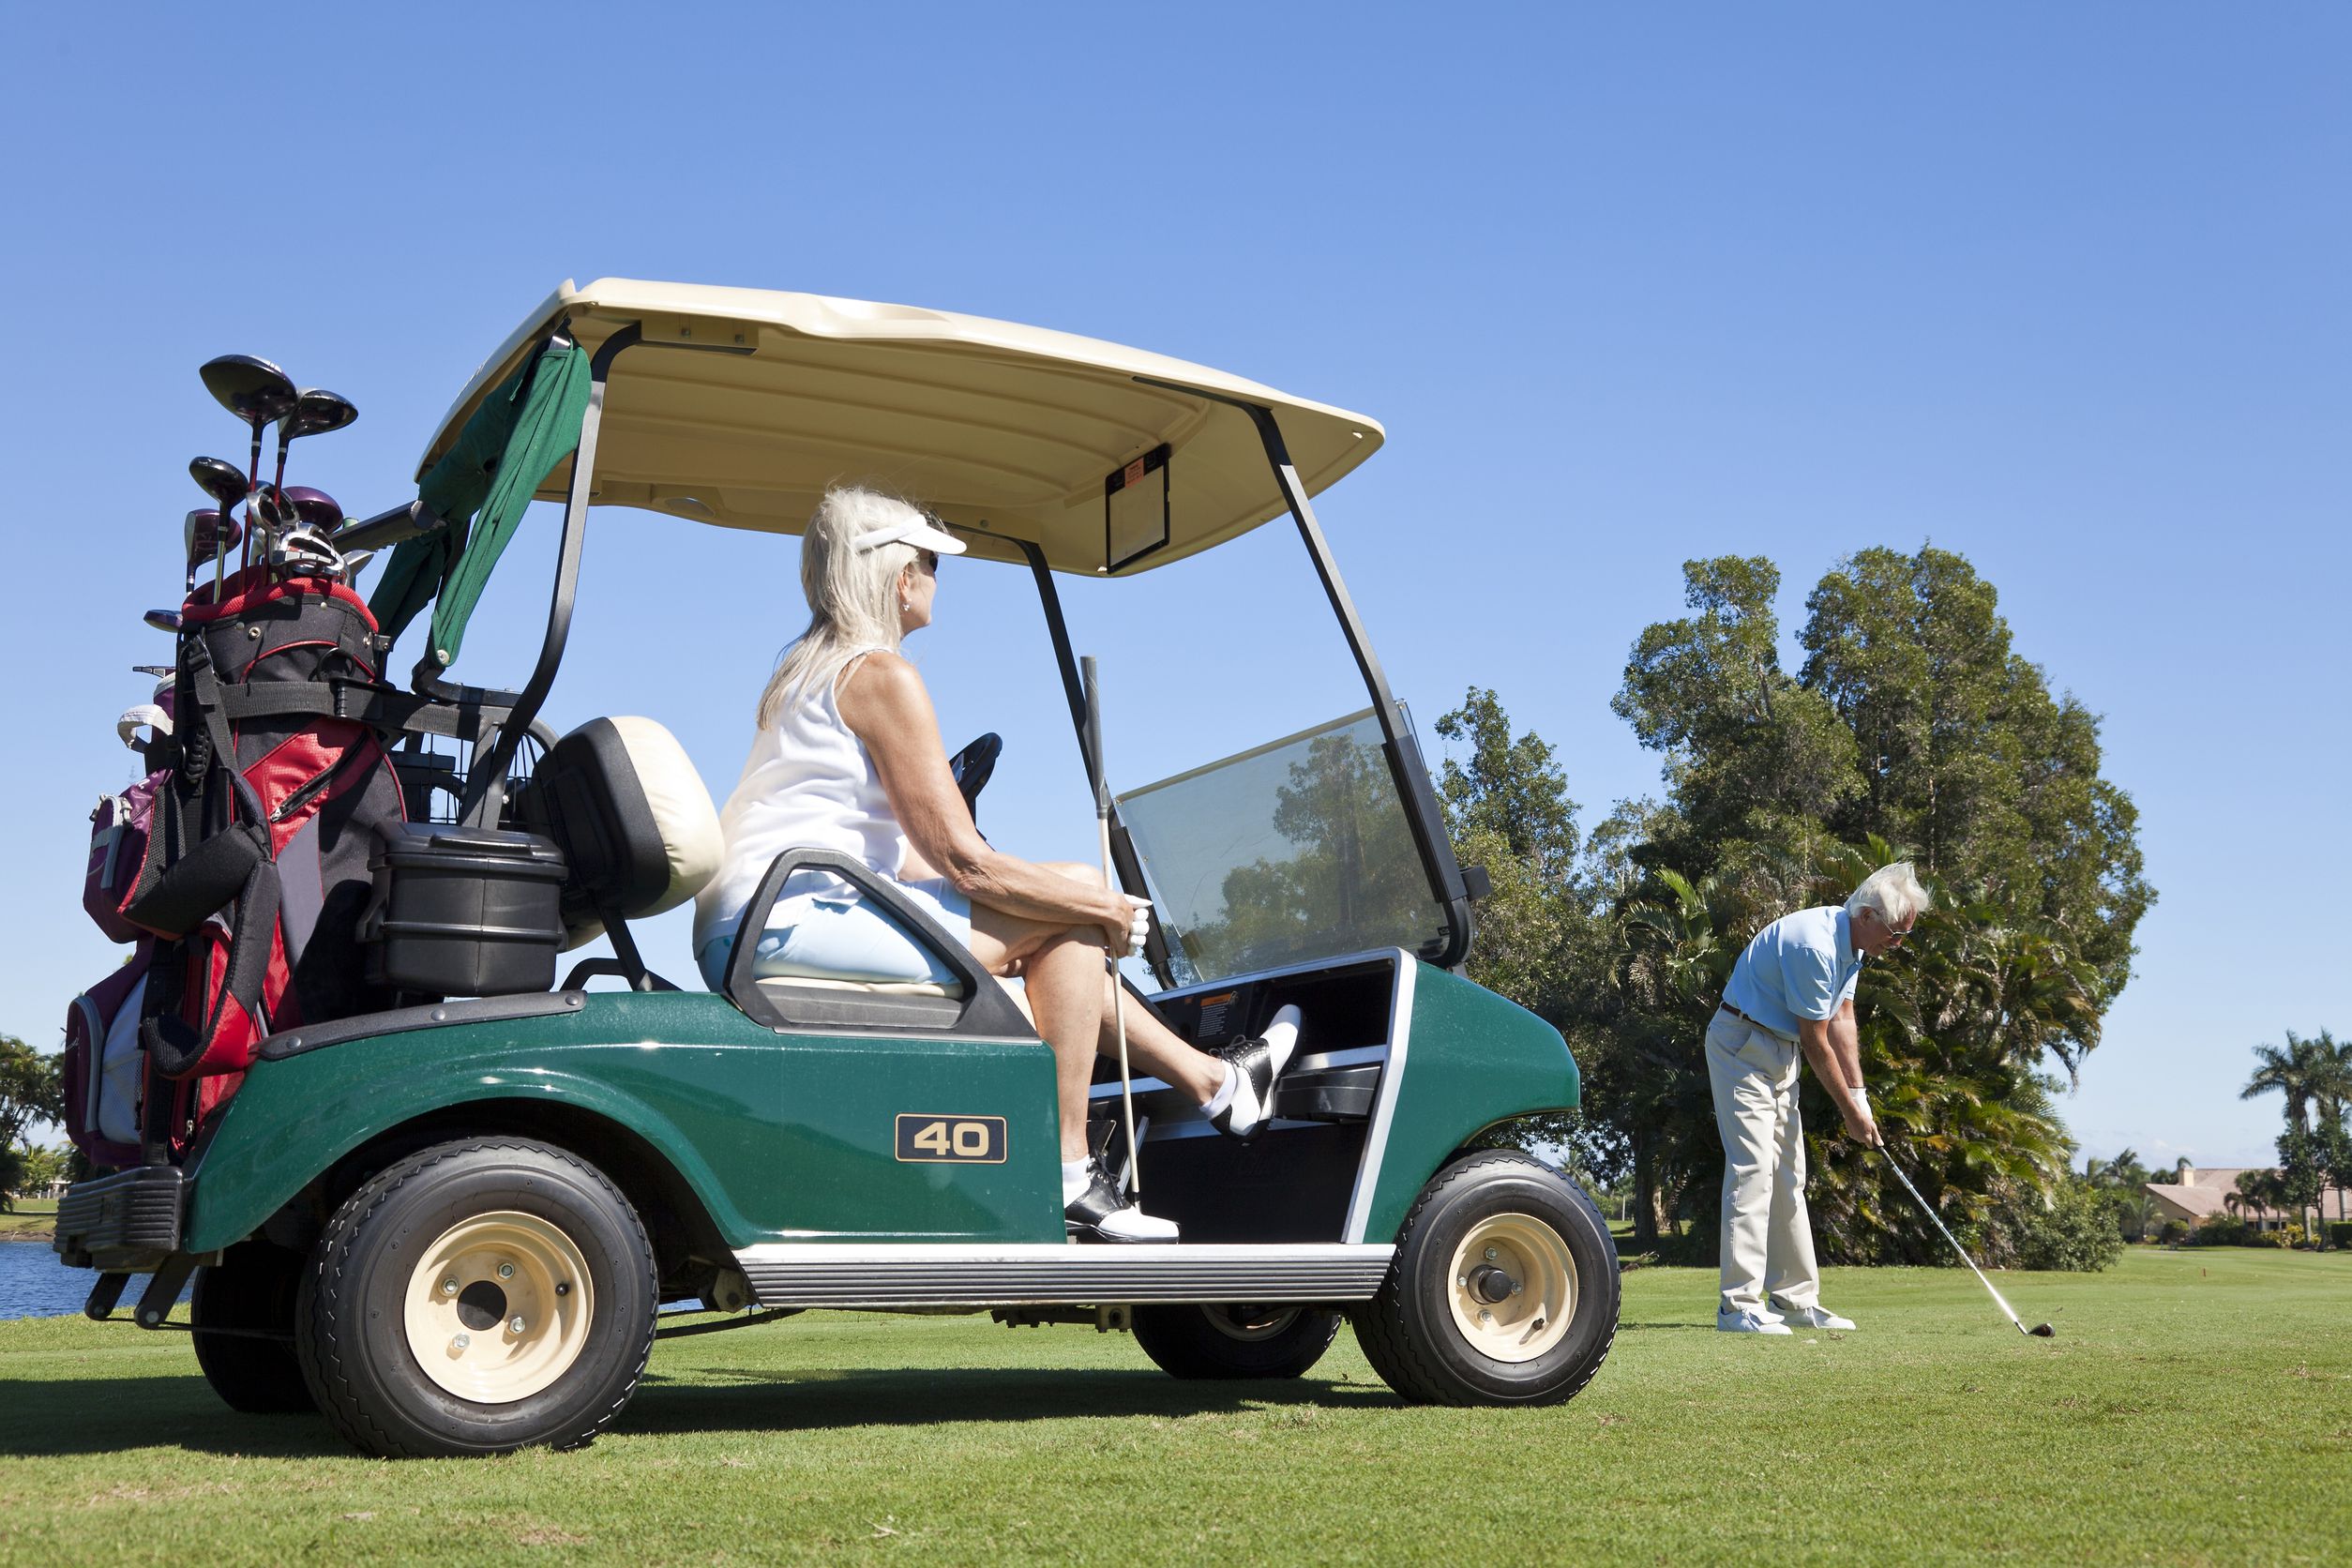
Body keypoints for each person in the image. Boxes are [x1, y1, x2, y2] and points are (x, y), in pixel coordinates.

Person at [691, 487, 1299, 1244]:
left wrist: (1040, 887)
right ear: (897, 577)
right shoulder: (882, 675)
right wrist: (1110, 911)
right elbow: (966, 866)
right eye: (930, 565)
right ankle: (1075, 1169)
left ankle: (1217, 1085)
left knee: (1066, 900)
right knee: (1076, 915)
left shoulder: (806, 673)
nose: (937, 581)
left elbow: (910, 858)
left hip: (762, 920)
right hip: (792, 921)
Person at [1707, 861, 1927, 1334]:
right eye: (1895, 932)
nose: (1898, 942)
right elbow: (1816, 1038)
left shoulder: (1855, 944)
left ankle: (1794, 1299)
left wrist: (1860, 1096)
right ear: (1867, 915)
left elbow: (1844, 1019)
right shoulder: (1815, 945)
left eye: (1905, 934)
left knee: (1789, 1173)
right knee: (1753, 1168)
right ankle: (1737, 1306)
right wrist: (1849, 1114)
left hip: (1778, 1049)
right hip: (1742, 1043)